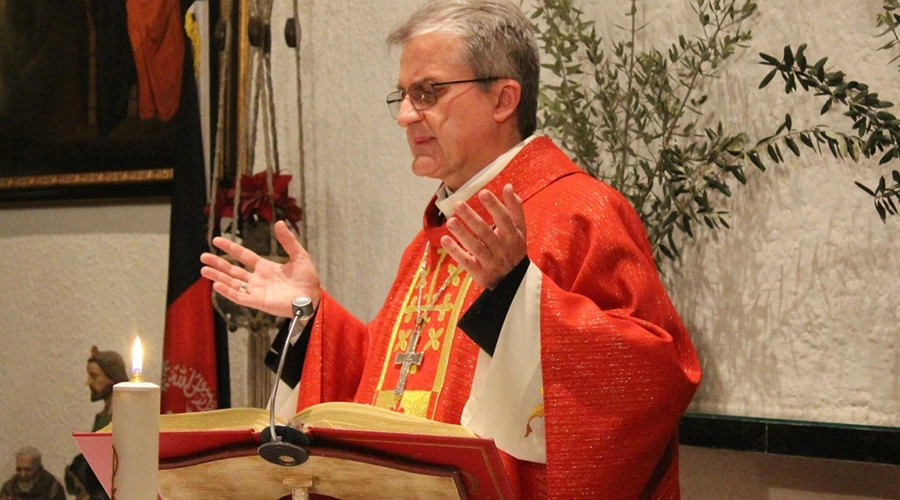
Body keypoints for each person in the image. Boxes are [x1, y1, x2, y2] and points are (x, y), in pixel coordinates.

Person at [200, 0, 701, 497]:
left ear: (504, 99)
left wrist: (518, 297)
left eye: (427, 93)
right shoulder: (431, 240)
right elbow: (391, 389)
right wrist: (310, 318)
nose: (405, 116)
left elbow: (656, 375)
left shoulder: (579, 212)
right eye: (402, 95)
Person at [64, 346, 128, 500]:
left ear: (112, 377)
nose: (88, 382)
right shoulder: (104, 414)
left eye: (94, 376)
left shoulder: (122, 416)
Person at [0, 446, 65, 500]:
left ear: (39, 469)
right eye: (19, 469)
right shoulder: (9, 488)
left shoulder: (52, 489)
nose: (22, 474)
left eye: (27, 470)